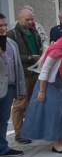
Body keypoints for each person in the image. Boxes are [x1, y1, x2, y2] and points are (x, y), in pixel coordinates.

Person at [21, 24, 62, 153]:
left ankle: (61, 142)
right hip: (51, 85)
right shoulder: (56, 50)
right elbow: (45, 71)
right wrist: (42, 91)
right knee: (55, 114)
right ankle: (56, 144)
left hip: (61, 84)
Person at [6, 8, 42, 144]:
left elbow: (37, 48)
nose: (30, 22)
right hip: (23, 73)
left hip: (35, 72)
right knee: (20, 104)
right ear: (19, 19)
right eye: (27, 19)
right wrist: (29, 57)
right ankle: (19, 132)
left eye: (32, 19)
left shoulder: (34, 32)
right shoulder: (12, 34)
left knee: (33, 103)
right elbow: (10, 56)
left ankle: (30, 129)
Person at [0, 12, 26, 157]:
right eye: (0, 26)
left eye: (5, 25)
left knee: (3, 120)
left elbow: (18, 67)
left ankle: (2, 147)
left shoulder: (11, 43)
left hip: (9, 87)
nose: (3, 29)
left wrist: (20, 88)